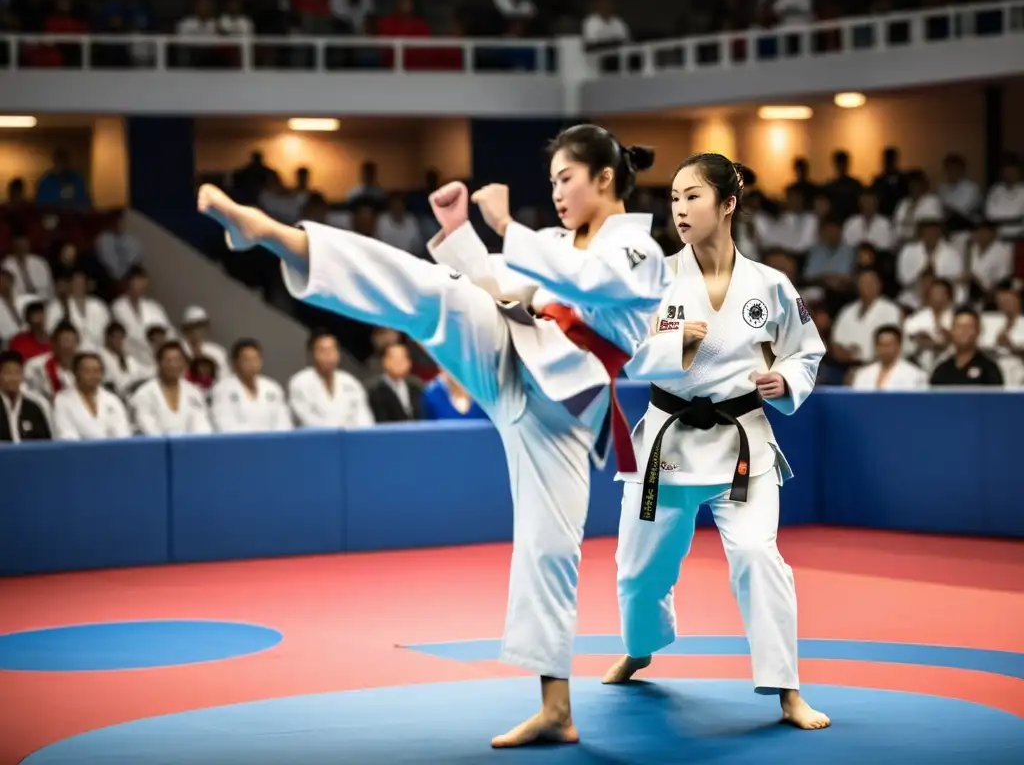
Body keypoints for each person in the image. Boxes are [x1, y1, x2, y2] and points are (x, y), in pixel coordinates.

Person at [197, 123, 669, 748]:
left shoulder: (640, 251)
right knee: (433, 293)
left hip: (563, 405)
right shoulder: (553, 240)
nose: (555, 192)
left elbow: (589, 283)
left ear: (604, 179)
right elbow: (502, 285)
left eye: (566, 179)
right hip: (510, 347)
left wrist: (507, 229)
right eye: (551, 180)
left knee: (548, 547)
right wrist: (461, 235)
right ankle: (276, 236)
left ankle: (555, 709)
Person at [603, 152, 831, 731]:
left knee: (759, 556)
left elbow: (807, 349)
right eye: (673, 198)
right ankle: (642, 646)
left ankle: (786, 688)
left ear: (727, 204)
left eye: (692, 197)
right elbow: (629, 355)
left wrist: (789, 380)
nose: (678, 208)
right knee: (638, 569)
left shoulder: (770, 284)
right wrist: (677, 344)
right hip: (668, 444)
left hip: (741, 445)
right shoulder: (653, 281)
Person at [288, 329, 374, 429]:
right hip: (317, 440)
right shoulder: (300, 383)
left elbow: (364, 418)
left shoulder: (351, 382)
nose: (328, 355)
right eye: (322, 350)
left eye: (332, 350)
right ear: (312, 355)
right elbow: (306, 420)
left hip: (350, 440)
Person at [129, 340, 214, 435]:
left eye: (177, 360)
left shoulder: (194, 392)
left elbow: (202, 426)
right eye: (168, 360)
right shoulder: (144, 394)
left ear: (184, 363)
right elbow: (147, 428)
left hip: (190, 447)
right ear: (159, 363)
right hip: (156, 447)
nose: (173, 365)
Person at [53, 352, 132, 441]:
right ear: (75, 373)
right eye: (87, 371)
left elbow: (123, 434)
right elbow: (66, 435)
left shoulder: (112, 400)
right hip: (78, 452)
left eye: (97, 371)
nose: (93, 376)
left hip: (112, 452)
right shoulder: (62, 400)